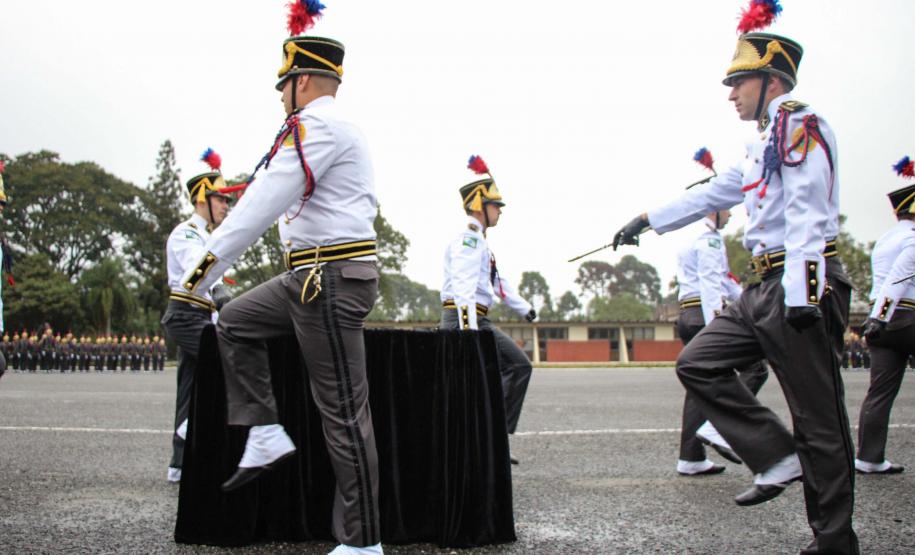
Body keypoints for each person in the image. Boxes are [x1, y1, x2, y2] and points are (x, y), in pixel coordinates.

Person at [611, 25, 858, 553]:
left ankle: (834, 540)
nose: (730, 94)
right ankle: (775, 453)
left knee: (819, 418)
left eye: (738, 82)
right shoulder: (763, 141)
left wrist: (803, 294)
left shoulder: (801, 123)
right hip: (762, 287)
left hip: (798, 282)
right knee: (697, 363)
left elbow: (810, 211)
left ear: (770, 80)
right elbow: (717, 192)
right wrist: (646, 219)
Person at [180, 5, 383, 551]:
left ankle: (365, 542)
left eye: (285, 83)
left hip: (330, 277)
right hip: (308, 276)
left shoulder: (320, 127)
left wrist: (200, 274)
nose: (280, 93)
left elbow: (259, 206)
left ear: (306, 80)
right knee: (235, 321)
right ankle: (266, 430)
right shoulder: (314, 128)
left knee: (342, 413)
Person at [439, 156, 536, 464]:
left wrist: (526, 310)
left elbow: (498, 284)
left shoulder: (480, 242)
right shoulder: (468, 240)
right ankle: (479, 443)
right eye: (496, 206)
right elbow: (464, 287)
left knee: (511, 369)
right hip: (463, 320)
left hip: (475, 319)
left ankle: (492, 440)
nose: (499, 212)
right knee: (495, 374)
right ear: (479, 205)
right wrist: (468, 332)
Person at [673, 209, 768, 476]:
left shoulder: (690, 237)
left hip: (687, 313)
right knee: (756, 369)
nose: (730, 215)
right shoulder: (710, 239)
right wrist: (717, 323)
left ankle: (691, 457)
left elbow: (726, 282)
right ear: (714, 210)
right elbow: (712, 282)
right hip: (706, 313)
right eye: (727, 209)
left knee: (698, 384)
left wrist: (748, 301)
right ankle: (718, 427)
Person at [161, 150, 234, 484]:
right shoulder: (187, 233)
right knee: (226, 363)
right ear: (203, 198)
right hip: (185, 315)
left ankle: (179, 464)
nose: (225, 206)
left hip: (200, 317)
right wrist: (219, 291)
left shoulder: (207, 235)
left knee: (189, 389)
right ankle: (204, 443)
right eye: (221, 200)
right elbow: (196, 268)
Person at [856, 161, 915, 475]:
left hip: (880, 322)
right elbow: (899, 278)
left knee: (879, 392)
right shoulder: (912, 239)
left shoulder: (885, 239)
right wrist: (881, 315)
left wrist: (875, 320)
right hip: (906, 316)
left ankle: (869, 457)